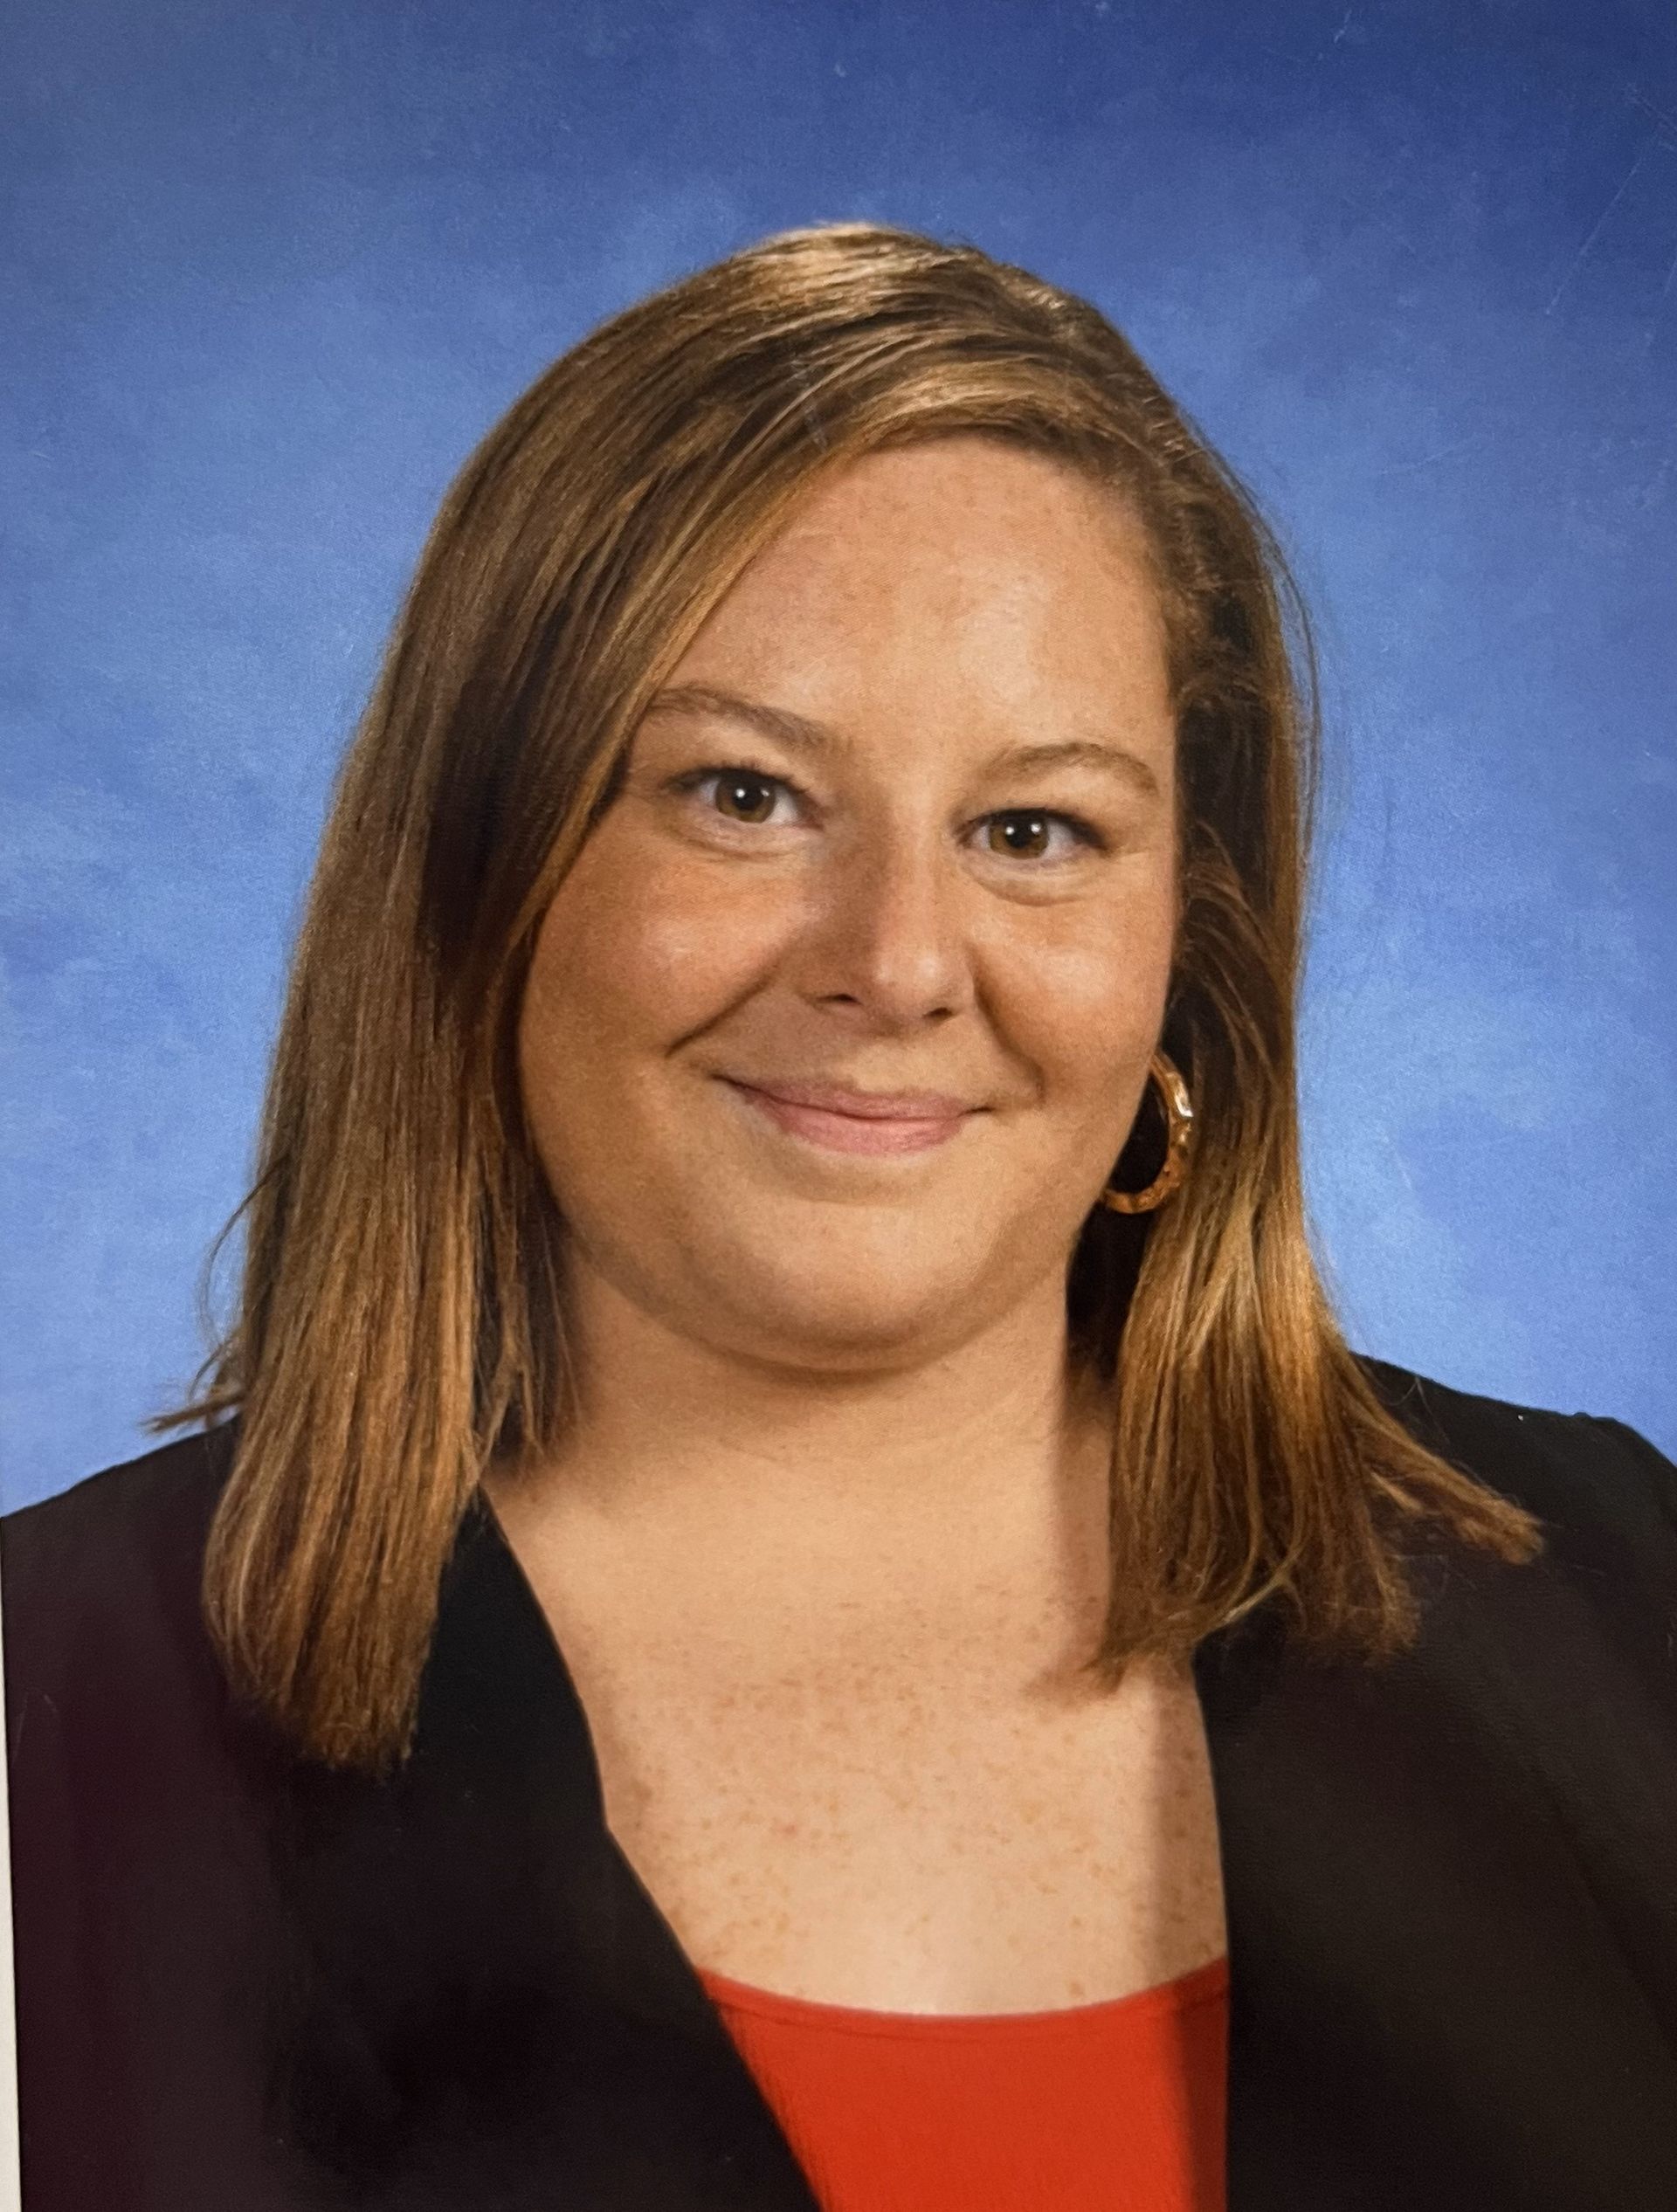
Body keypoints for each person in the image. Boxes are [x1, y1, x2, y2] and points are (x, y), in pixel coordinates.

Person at [3, 221, 1674, 2212]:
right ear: (478, 876)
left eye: (1033, 830)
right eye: (744, 794)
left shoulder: (1624, 1610)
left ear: (1187, 951)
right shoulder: (49, 1724)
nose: (896, 959)